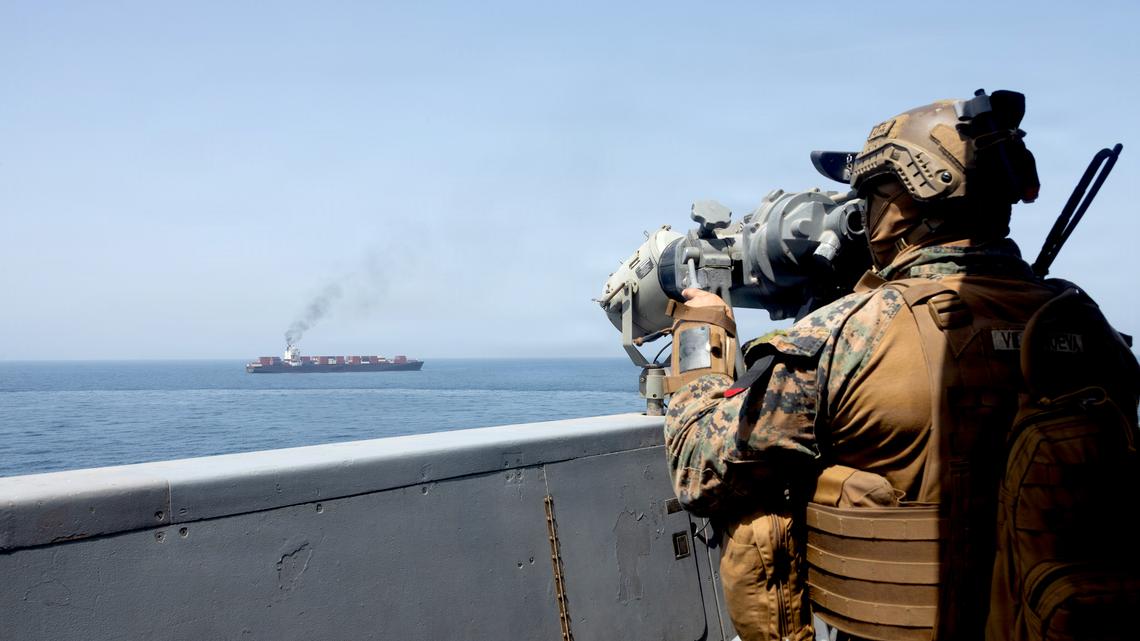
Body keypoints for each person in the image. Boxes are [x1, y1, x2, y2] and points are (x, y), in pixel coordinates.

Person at [663, 90, 1093, 641]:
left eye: (869, 196)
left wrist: (702, 339)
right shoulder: (1077, 322)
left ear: (903, 203)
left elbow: (700, 471)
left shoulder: (849, 335)